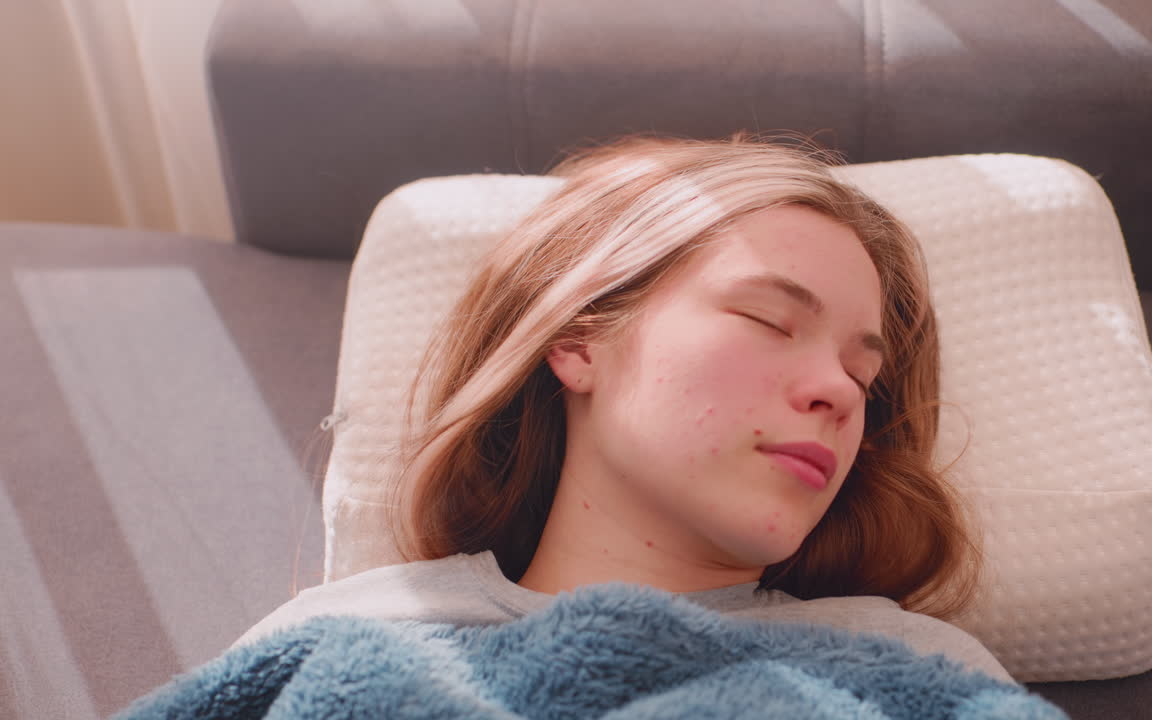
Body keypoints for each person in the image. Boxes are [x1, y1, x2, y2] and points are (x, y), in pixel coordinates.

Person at [236, 134, 1010, 682]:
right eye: (770, 322)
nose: (839, 392)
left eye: (862, 376)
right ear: (579, 341)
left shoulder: (918, 670)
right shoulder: (336, 646)